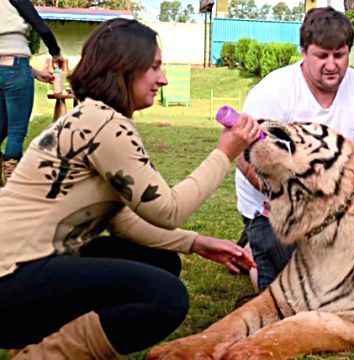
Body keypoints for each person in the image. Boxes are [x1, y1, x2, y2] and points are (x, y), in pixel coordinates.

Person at [0, 18, 259, 358]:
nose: (163, 79)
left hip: (21, 272)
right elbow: (169, 209)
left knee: (160, 262)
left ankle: (43, 341)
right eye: (154, 67)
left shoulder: (93, 117)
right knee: (165, 297)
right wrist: (225, 153)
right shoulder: (104, 124)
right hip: (10, 279)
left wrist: (195, 243)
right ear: (124, 68)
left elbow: (121, 220)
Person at [235, 6, 354, 291]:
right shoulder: (274, 90)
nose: (332, 64)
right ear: (303, 52)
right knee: (294, 289)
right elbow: (243, 156)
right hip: (276, 206)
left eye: (339, 55)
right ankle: (256, 246)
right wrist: (292, 196)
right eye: (322, 55)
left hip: (340, 203)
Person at [0, 0, 66, 186]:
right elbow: (41, 27)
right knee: (16, 131)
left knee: (2, 127)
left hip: (8, 68)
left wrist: (35, 73)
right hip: (16, 68)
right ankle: (12, 186)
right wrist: (56, 53)